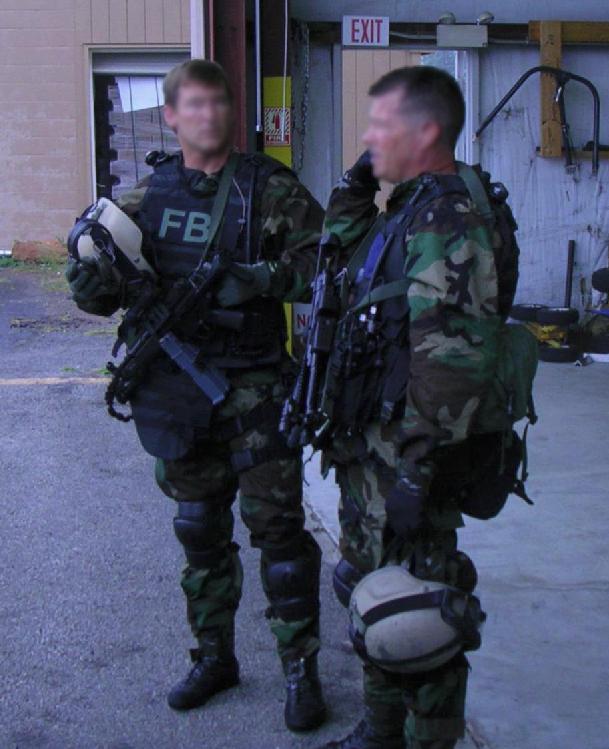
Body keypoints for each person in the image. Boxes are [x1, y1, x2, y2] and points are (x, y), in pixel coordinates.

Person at [65, 59, 326, 733]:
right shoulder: (145, 198)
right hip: (178, 393)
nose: (209, 115)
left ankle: (300, 670)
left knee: (280, 536)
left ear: (232, 112)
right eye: (195, 104)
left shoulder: (269, 187)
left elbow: (327, 266)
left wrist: (262, 277)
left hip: (256, 387)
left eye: (219, 102)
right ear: (172, 116)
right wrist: (89, 285)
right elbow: (108, 289)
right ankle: (214, 658)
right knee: (200, 531)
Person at [316, 65, 520, 749]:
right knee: (377, 591)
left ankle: (428, 739)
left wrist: (414, 473)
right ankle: (380, 733)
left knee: (422, 614)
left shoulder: (446, 216)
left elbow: (452, 361)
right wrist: (356, 184)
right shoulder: (407, 208)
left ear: (426, 131)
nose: (369, 138)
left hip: (412, 456)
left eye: (382, 126)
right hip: (377, 449)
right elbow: (339, 253)